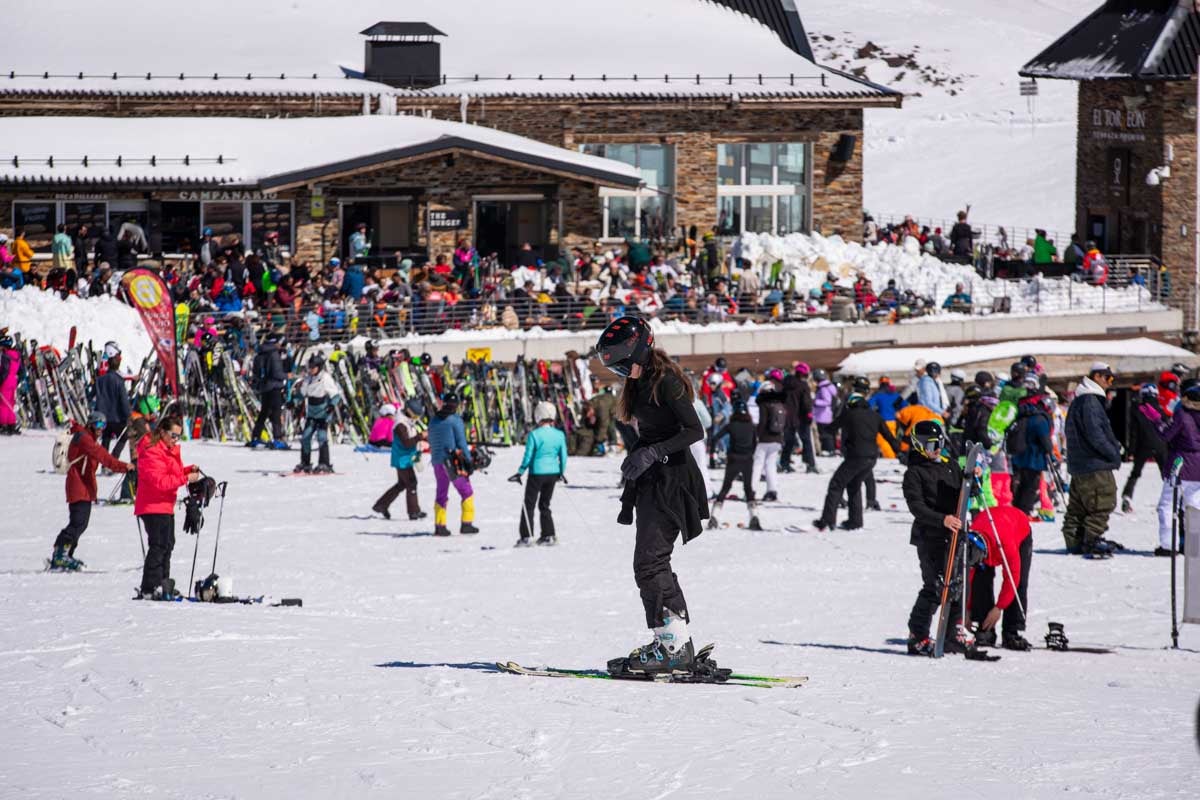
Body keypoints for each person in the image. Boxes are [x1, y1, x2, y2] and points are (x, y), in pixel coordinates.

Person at [595, 316, 709, 675]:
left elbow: (694, 430)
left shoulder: (667, 381)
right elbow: (653, 431)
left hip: (673, 481)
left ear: (638, 351)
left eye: (620, 362)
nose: (617, 369)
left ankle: (674, 646)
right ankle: (671, 640)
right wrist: (638, 456)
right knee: (649, 562)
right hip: (654, 479)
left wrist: (652, 452)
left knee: (651, 562)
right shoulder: (639, 381)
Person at [902, 419, 970, 655]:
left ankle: (952, 634)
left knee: (956, 585)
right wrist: (942, 519)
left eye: (940, 443)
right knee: (936, 586)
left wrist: (972, 477)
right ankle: (917, 634)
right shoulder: (914, 473)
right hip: (929, 536)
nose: (937, 449)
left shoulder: (950, 465)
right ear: (919, 445)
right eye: (931, 445)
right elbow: (917, 507)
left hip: (954, 534)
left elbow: (962, 489)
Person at [49, 411, 133, 571]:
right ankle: (60, 554)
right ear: (91, 424)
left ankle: (65, 553)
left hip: (83, 487)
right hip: (78, 486)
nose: (101, 428)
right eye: (98, 425)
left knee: (80, 523)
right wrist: (125, 467)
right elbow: (104, 458)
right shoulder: (85, 439)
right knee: (78, 522)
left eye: (104, 425)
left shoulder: (86, 437)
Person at [136, 416, 202, 599]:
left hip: (165, 505)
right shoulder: (151, 450)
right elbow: (160, 482)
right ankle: (150, 587)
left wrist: (187, 470)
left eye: (178, 437)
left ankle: (163, 584)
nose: (175, 440)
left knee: (167, 545)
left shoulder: (166, 450)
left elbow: (171, 473)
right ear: (163, 432)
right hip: (152, 505)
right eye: (173, 435)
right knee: (158, 546)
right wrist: (185, 479)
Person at [813, 392, 899, 531]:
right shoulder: (875, 415)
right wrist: (899, 451)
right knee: (854, 485)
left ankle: (827, 520)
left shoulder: (849, 414)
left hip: (856, 457)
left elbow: (831, 429)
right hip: (871, 458)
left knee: (836, 484)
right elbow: (888, 436)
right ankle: (855, 521)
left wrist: (824, 432)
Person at [1062, 362, 1122, 557]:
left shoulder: (1080, 401)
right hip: (1094, 464)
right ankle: (1092, 540)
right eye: (1108, 378)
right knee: (1102, 501)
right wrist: (1112, 453)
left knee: (1078, 506)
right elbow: (1095, 433)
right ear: (1097, 376)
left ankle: (1074, 541)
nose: (1109, 383)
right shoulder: (1090, 401)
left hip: (1079, 464)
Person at [969, 504, 1033, 650]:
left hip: (1018, 527)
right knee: (980, 580)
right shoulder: (969, 546)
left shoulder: (1006, 544)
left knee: (1019, 583)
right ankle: (985, 627)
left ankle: (1011, 631)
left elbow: (1012, 578)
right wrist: (967, 610)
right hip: (989, 523)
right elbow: (968, 580)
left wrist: (999, 607)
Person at [510, 401, 568, 546]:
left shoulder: (534, 435)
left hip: (537, 473)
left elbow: (528, 456)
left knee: (529, 504)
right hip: (553, 473)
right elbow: (564, 456)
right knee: (545, 504)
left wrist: (520, 471)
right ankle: (549, 535)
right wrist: (561, 472)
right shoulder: (559, 434)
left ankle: (526, 536)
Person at [1156, 378, 1200, 557]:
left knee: (1167, 504)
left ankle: (1168, 544)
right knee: (1194, 505)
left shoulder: (1182, 415)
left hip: (1181, 464)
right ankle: (1194, 543)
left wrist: (1158, 424)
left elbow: (1166, 435)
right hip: (1198, 467)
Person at [427, 389, 479, 536]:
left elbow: (431, 439)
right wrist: (468, 461)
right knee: (466, 492)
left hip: (437, 461)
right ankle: (466, 524)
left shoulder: (433, 420)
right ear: (456, 405)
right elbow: (461, 442)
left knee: (441, 493)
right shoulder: (455, 420)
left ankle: (440, 526)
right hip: (452, 462)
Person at [708, 397, 760, 530]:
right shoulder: (752, 426)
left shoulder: (731, 425)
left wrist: (713, 456)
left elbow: (714, 438)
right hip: (747, 460)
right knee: (748, 489)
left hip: (733, 459)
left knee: (725, 488)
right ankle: (754, 517)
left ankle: (714, 517)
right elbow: (755, 444)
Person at [372, 401, 427, 521]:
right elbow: (407, 443)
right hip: (402, 459)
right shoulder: (400, 424)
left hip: (406, 457)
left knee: (402, 484)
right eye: (416, 416)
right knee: (411, 483)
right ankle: (413, 512)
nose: (416, 419)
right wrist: (420, 437)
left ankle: (381, 505)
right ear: (410, 412)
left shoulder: (407, 422)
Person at [1122, 384, 1167, 514]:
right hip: (1160, 445)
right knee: (1166, 475)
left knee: (1135, 473)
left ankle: (1127, 497)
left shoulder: (1138, 410)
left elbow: (1134, 433)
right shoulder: (1160, 410)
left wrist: (1131, 452)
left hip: (1143, 446)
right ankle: (1168, 500)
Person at [1009, 390, 1055, 516]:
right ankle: (1024, 512)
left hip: (1019, 456)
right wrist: (1051, 454)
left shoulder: (1023, 416)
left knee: (1022, 485)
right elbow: (1045, 439)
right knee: (1030, 487)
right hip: (1034, 458)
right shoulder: (1040, 419)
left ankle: (1017, 510)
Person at [295, 355, 341, 474]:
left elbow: (335, 395)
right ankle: (305, 462)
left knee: (322, 438)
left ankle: (324, 463)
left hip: (323, 414)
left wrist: (331, 405)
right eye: (309, 367)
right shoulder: (308, 379)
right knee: (305, 437)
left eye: (313, 367)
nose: (310, 369)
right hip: (311, 413)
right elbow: (302, 393)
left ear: (319, 367)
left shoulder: (325, 378)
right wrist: (293, 401)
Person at [248, 332, 289, 449]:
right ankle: (277, 438)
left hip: (264, 387)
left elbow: (256, 373)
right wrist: (287, 375)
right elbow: (276, 373)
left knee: (264, 413)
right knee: (276, 413)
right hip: (274, 387)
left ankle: (256, 436)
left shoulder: (260, 353)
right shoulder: (274, 354)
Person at [753, 374, 787, 502]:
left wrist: (757, 435)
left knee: (757, 465)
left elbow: (762, 422)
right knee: (771, 465)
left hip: (765, 439)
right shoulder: (780, 403)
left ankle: (751, 491)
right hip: (778, 438)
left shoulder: (764, 404)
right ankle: (772, 491)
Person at [94, 343, 131, 458]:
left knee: (106, 439)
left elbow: (94, 397)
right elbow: (123, 401)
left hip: (103, 419)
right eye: (118, 358)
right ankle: (113, 458)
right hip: (117, 419)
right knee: (125, 435)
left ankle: (105, 464)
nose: (120, 360)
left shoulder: (100, 380)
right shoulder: (118, 381)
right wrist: (128, 415)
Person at [782, 362, 817, 474]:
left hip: (787, 416)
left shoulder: (785, 383)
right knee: (806, 441)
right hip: (801, 417)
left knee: (789, 441)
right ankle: (810, 464)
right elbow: (806, 403)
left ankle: (784, 463)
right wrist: (809, 415)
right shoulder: (803, 385)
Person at [812, 368, 838, 454]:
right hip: (827, 414)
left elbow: (827, 401)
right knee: (827, 433)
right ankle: (829, 449)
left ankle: (828, 450)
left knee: (825, 434)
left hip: (823, 415)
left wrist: (815, 401)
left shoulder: (823, 388)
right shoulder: (829, 386)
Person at [0, 331, 19, 434]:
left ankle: (2, 424)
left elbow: (4, 370)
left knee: (2, 404)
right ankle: (11, 423)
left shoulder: (6, 356)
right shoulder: (16, 355)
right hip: (13, 381)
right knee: (10, 403)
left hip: (6, 381)